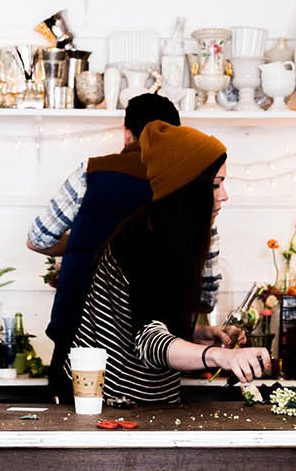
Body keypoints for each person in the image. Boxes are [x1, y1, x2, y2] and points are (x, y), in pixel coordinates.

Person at [71, 121, 270, 406]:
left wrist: (201, 334)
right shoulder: (142, 242)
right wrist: (220, 356)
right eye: (215, 185)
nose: (225, 195)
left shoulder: (177, 238)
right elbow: (148, 341)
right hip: (112, 404)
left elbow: (152, 321)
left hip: (153, 400)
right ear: (188, 190)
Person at [27, 95, 222, 339]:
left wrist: (84, 241)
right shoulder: (188, 184)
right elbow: (208, 291)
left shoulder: (91, 172)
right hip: (156, 342)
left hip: (77, 329)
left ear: (126, 132)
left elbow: (37, 239)